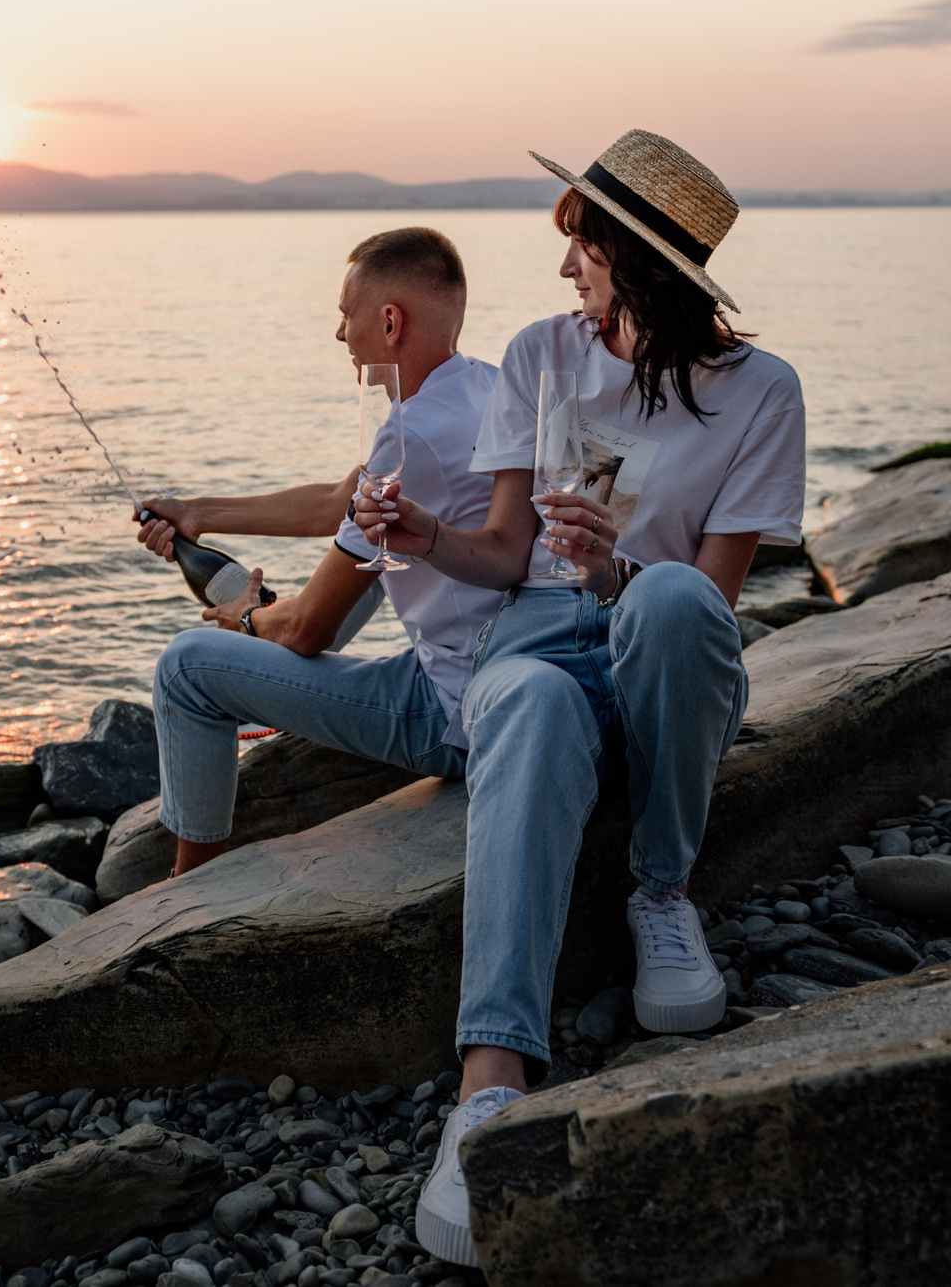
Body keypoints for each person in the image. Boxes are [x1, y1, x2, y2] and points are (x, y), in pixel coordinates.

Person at [350, 129, 806, 1267]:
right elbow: (506, 556)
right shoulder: (540, 357)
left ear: (638, 261)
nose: (566, 271)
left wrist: (614, 570)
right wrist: (423, 535)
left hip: (661, 637)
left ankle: (661, 894)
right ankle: (490, 1083)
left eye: (584, 249)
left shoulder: (761, 393)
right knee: (533, 706)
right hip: (544, 634)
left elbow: (713, 598)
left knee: (661, 608)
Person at [141, 227, 505, 876]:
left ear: (390, 321)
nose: (341, 334)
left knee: (187, 666)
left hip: (458, 714)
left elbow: (310, 629)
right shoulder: (488, 388)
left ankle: (185, 888)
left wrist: (249, 620)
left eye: (346, 314)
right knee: (361, 564)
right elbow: (341, 499)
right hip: (512, 679)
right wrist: (199, 513)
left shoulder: (411, 434)